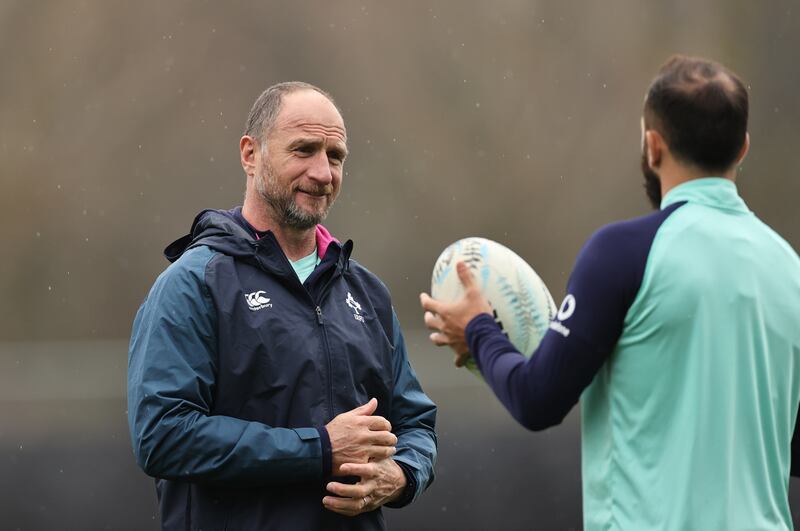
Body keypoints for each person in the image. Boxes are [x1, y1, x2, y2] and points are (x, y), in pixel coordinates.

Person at [420, 55, 800, 530]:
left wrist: (478, 329)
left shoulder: (622, 253)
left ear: (653, 146)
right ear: (742, 148)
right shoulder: (789, 267)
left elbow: (537, 399)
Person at [128, 81, 437, 531]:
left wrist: (403, 474)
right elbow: (163, 436)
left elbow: (416, 424)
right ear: (250, 155)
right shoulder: (193, 283)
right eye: (304, 150)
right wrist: (320, 449)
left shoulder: (367, 292)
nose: (323, 173)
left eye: (335, 157)